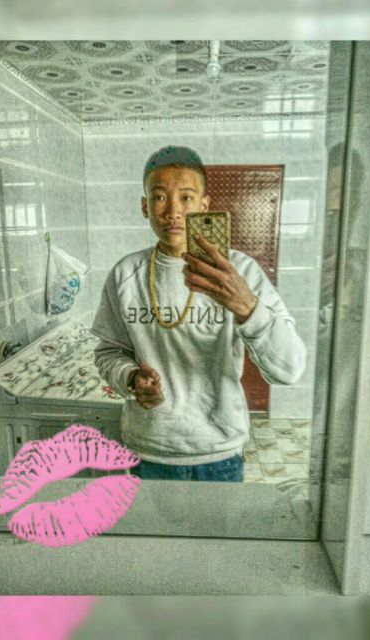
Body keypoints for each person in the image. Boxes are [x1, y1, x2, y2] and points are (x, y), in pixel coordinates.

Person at [91, 146, 307, 482]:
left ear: (204, 206)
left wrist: (247, 307)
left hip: (220, 450)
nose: (173, 211)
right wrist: (130, 378)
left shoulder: (241, 272)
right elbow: (109, 352)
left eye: (187, 198)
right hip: (150, 448)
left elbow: (290, 369)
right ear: (145, 206)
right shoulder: (125, 274)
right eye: (160, 197)